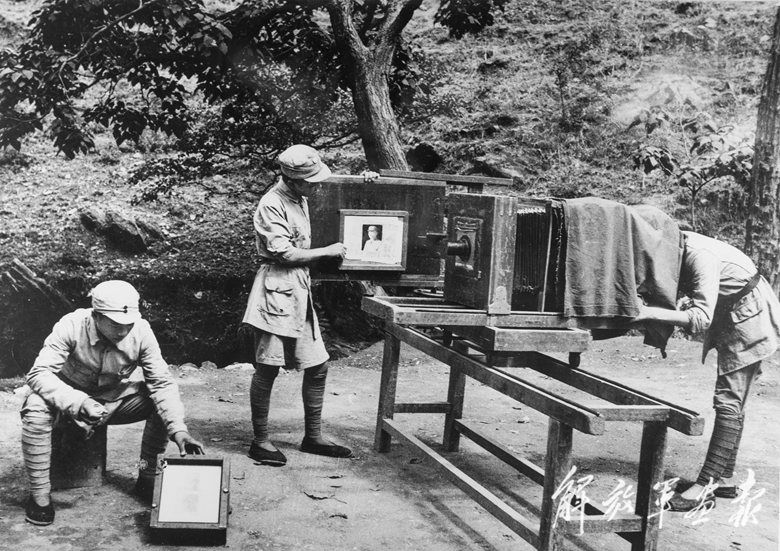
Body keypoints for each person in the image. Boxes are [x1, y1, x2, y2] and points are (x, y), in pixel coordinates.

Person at [20, 280, 205, 526]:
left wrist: (178, 430)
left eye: (129, 324)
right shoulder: (71, 325)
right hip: (65, 400)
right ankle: (39, 496)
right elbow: (38, 374)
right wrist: (78, 402)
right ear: (96, 316)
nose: (124, 331)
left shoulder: (141, 331)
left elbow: (161, 383)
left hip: (110, 400)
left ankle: (148, 477)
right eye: (116, 324)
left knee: (157, 401)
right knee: (34, 408)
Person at [242, 144, 378, 467]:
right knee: (268, 367)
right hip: (275, 290)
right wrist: (328, 251)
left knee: (318, 365)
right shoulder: (271, 203)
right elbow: (284, 253)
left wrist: (366, 182)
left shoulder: (300, 195)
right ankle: (260, 441)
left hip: (299, 291)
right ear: (292, 179)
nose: (317, 186)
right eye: (311, 181)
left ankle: (313, 436)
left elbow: (334, 187)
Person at [632, 231, 780, 512]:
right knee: (734, 399)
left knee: (729, 401)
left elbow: (700, 318)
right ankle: (720, 478)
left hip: (751, 312)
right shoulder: (673, 246)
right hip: (732, 310)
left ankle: (705, 487)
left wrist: (645, 313)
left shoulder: (700, 256)